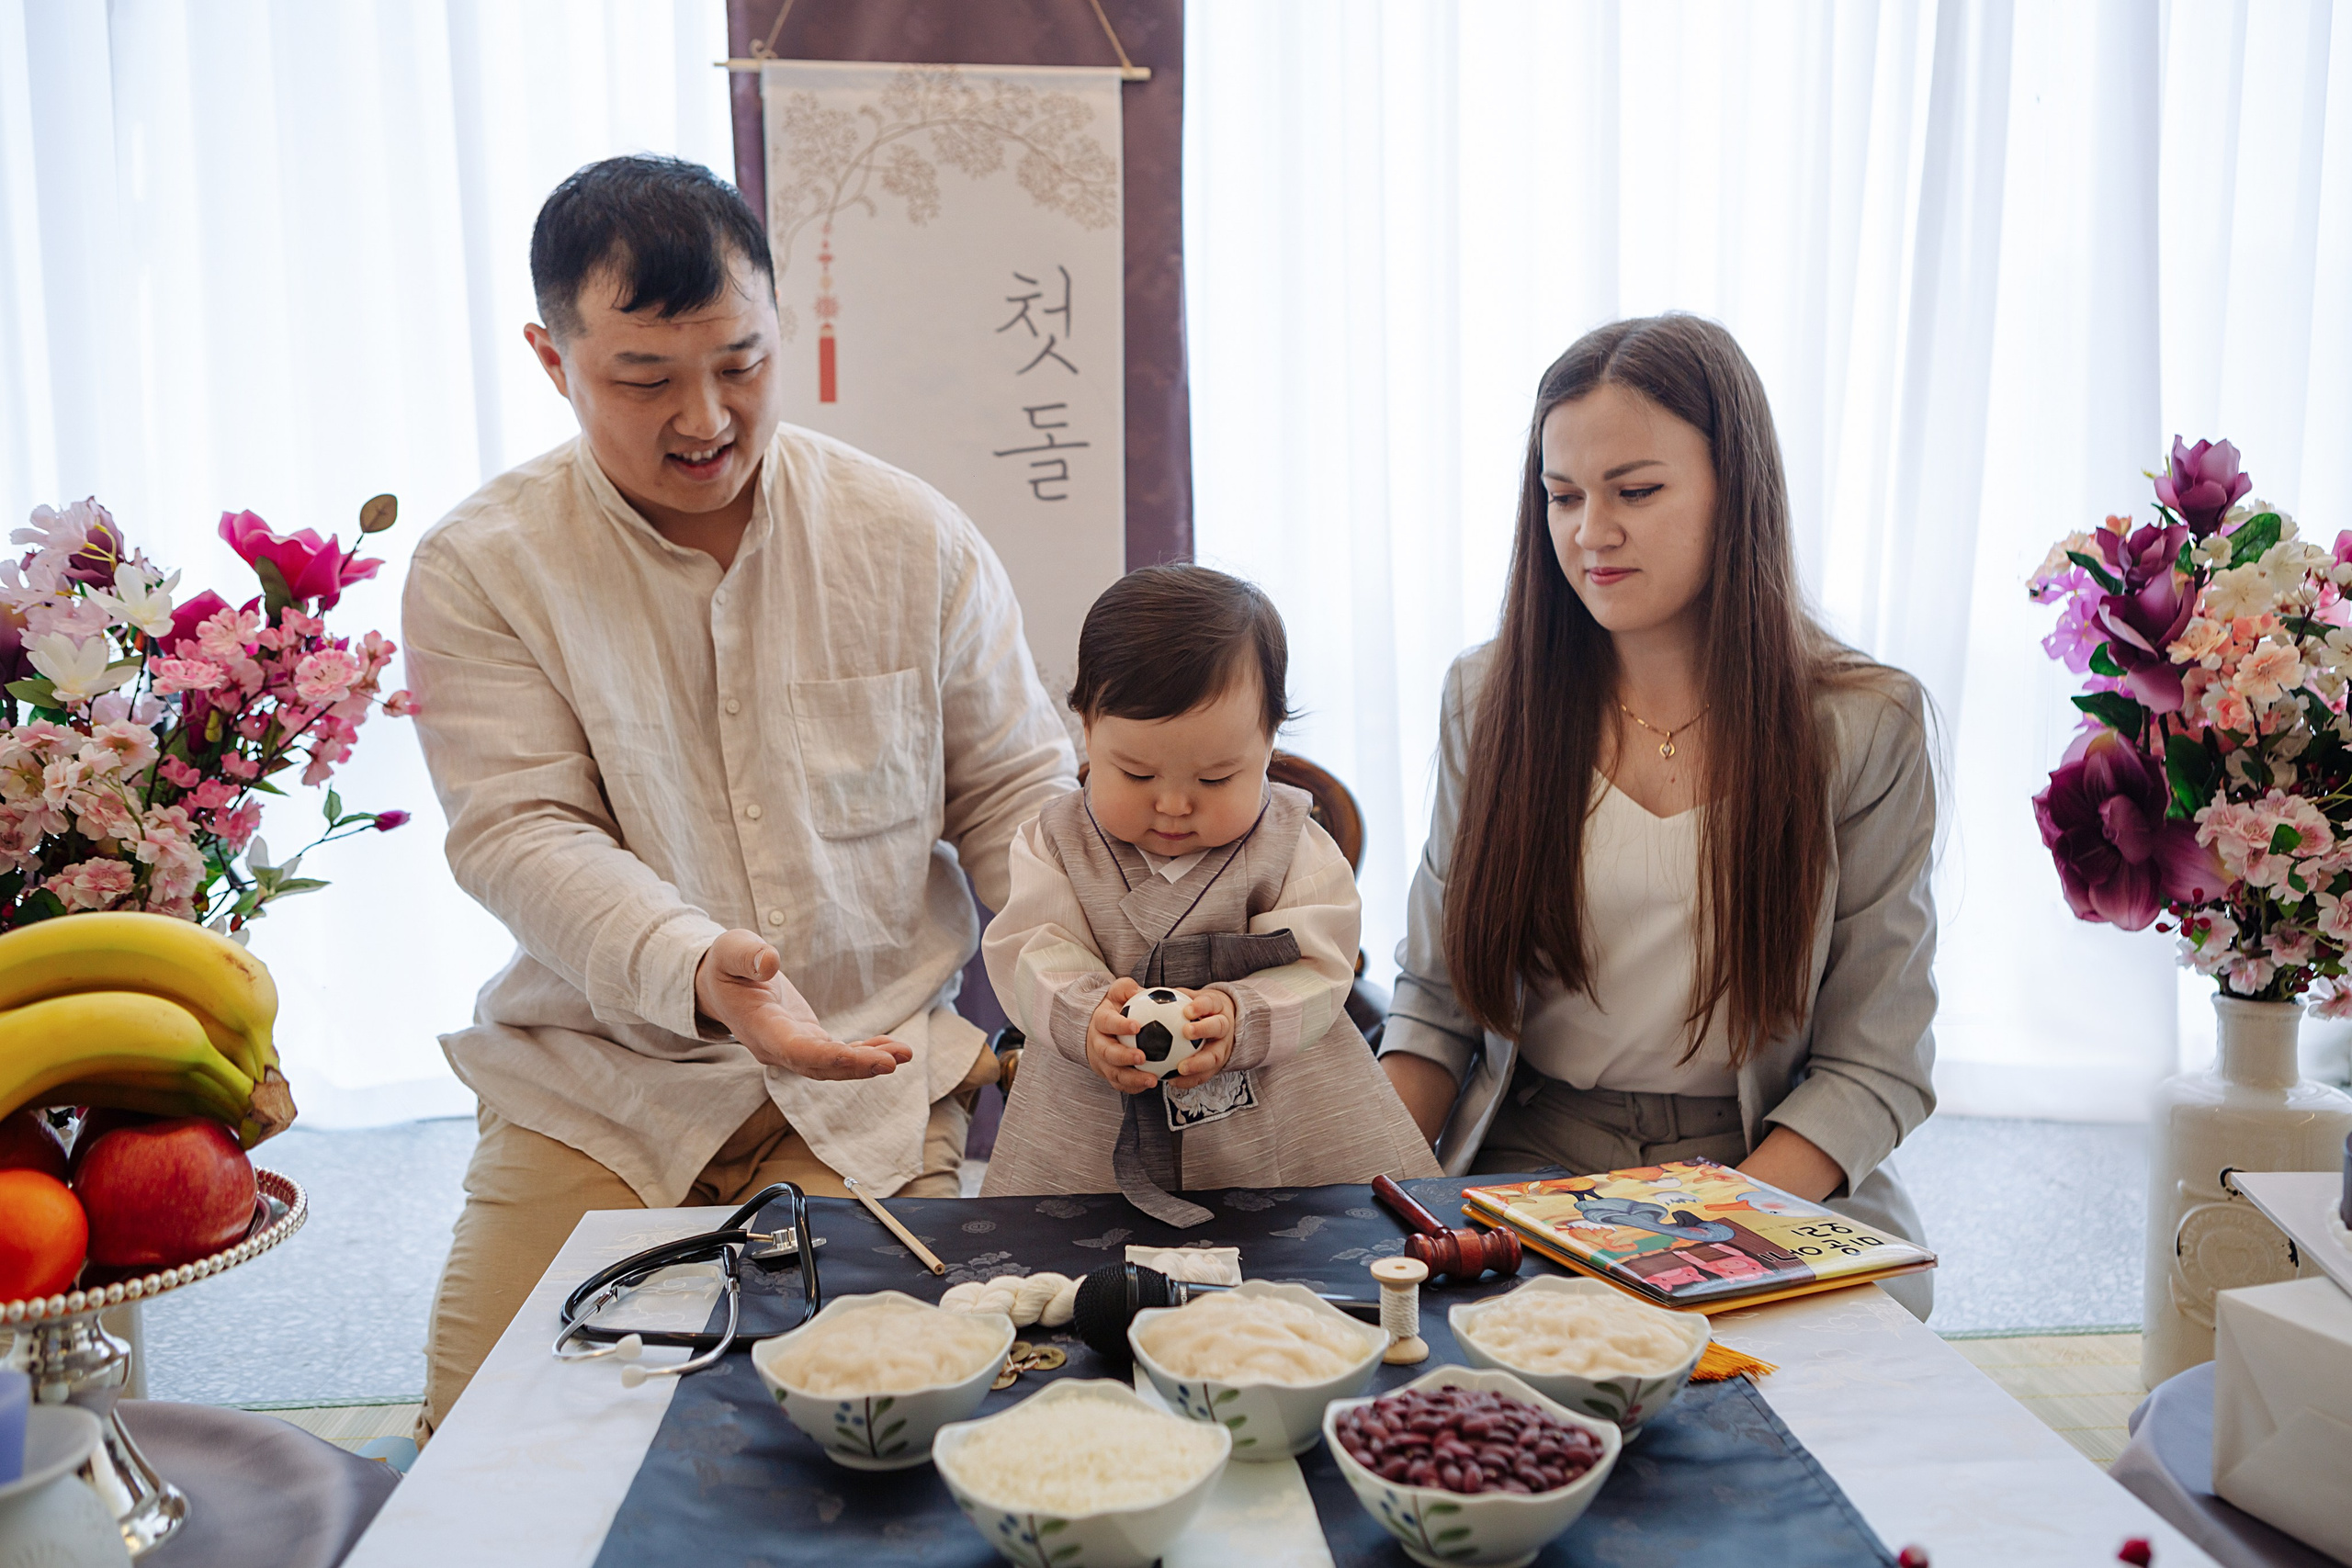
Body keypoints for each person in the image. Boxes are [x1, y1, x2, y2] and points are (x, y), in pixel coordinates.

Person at [401, 155, 1075, 1431]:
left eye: (742, 362)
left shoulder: (911, 536)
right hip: (602, 1086)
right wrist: (707, 968)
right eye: (644, 378)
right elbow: (519, 829)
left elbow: (1015, 799)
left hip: (868, 1077)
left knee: (909, 1424)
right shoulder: (479, 566)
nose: (705, 415)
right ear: (553, 361)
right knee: (486, 1453)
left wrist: (1072, 994)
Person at [1375, 313, 1937, 1318]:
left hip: (1761, 1159)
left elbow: (1876, 1060)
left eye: (1636, 491)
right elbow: (1435, 1001)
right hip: (1533, 1152)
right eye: (1562, 496)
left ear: (1737, 492)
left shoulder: (1861, 724)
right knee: (1497, 1348)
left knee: (1831, 1364)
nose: (1591, 531)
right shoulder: (1488, 697)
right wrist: (1358, 1184)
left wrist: (1699, 1236)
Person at [979, 565, 1440, 1221]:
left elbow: (1321, 968)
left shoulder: (1293, 844)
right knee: (1064, 1279)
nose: (1172, 804)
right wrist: (1088, 1016)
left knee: (1311, 1269)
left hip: (1283, 1120)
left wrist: (1241, 1013)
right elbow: (1031, 949)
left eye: (1218, 777)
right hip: (1090, 1116)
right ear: (1085, 726)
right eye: (1136, 772)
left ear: (1271, 739)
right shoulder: (1054, 841)